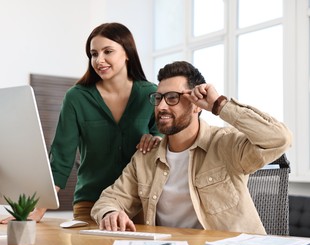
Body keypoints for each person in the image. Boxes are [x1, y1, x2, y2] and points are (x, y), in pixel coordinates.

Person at [90, 61, 292, 234]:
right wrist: (110, 212)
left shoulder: (225, 144)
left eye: (172, 98)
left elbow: (279, 139)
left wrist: (219, 105)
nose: (161, 107)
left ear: (197, 104)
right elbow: (109, 199)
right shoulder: (146, 157)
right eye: (158, 98)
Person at [0, 22, 161, 224]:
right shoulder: (76, 97)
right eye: (93, 54)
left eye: (107, 51)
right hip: (91, 204)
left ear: (127, 53)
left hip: (141, 204)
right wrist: (38, 209)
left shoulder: (152, 94)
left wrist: (156, 138)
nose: (99, 60)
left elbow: (169, 140)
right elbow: (61, 157)